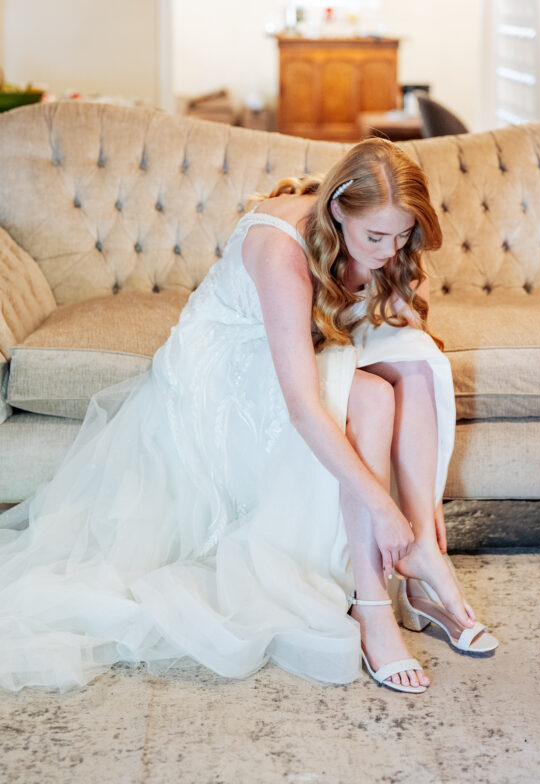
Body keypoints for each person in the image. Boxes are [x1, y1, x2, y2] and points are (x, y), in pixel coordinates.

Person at [0, 137, 497, 696]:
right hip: (220, 369)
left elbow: (410, 338)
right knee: (373, 398)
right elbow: (304, 409)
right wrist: (384, 508)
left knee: (418, 360)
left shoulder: (391, 246)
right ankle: (371, 604)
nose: (388, 249)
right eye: (375, 236)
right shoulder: (281, 249)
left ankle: (424, 556)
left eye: (401, 235)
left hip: (288, 348)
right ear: (337, 209)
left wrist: (422, 507)